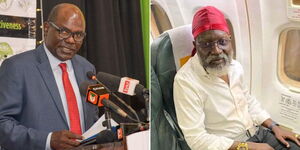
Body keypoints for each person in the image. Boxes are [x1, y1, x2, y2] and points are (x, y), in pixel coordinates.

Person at [173, 6, 300, 150]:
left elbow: (248, 101)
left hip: (257, 132)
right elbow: (196, 140)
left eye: (222, 42)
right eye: (207, 44)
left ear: (229, 40)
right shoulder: (185, 81)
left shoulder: (234, 66)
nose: (216, 50)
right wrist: (248, 147)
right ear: (195, 45)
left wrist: (274, 126)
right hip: (228, 145)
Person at [0, 3, 98, 150]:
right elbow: (3, 124)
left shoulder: (87, 69)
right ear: (46, 28)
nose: (71, 40)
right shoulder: (17, 67)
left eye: (78, 35)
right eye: (64, 31)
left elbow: (92, 120)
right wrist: (47, 141)